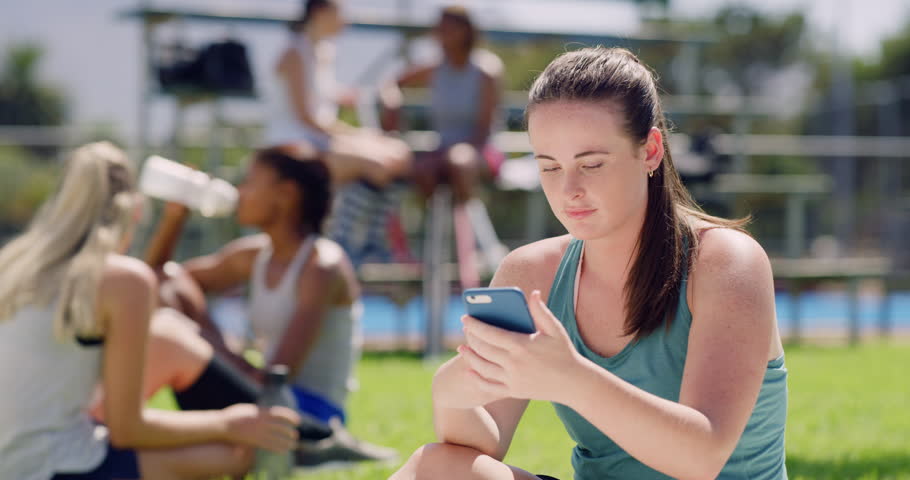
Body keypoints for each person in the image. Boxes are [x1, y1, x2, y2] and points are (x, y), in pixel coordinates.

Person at [390, 47, 788, 480]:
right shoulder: (531, 272)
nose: (569, 190)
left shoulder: (727, 262)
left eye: (591, 164)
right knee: (437, 466)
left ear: (651, 150)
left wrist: (570, 377)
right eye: (550, 167)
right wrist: (451, 392)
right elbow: (481, 447)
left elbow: (702, 457)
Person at [0, 141, 300, 480]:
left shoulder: (12, 266)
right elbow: (127, 429)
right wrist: (230, 424)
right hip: (52, 467)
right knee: (232, 455)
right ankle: (311, 439)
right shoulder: (122, 278)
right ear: (137, 211)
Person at [145, 143, 396, 466]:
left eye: (250, 182)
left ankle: (316, 445)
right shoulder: (255, 254)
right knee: (171, 293)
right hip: (263, 396)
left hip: (307, 414)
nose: (240, 192)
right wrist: (175, 216)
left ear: (286, 194)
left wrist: (201, 345)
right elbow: (154, 281)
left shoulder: (321, 267)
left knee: (179, 336)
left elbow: (279, 376)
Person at [265, 0, 413, 265]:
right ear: (320, 13)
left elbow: (324, 97)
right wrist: (351, 135)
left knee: (399, 154)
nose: (345, 21)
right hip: (294, 146)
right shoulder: (294, 54)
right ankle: (348, 241)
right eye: (339, 14)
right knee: (378, 165)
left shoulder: (320, 50)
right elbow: (305, 116)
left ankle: (367, 239)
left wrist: (362, 99)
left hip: (316, 139)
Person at [380, 5, 506, 286]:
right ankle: (431, 251)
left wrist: (447, 157)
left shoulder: (486, 70)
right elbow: (391, 83)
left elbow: (482, 132)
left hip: (480, 152)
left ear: (465, 31)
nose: (440, 34)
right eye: (439, 28)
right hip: (444, 151)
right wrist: (392, 99)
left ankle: (475, 249)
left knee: (459, 163)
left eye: (447, 27)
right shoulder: (435, 67)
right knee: (419, 169)